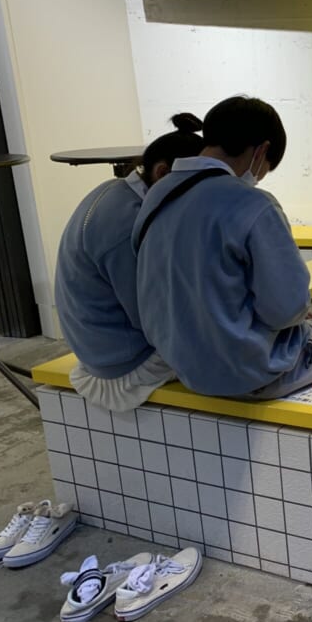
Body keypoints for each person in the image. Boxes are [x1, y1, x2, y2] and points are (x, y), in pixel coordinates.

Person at [131, 95, 312, 399]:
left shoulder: (156, 198)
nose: (260, 177)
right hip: (249, 374)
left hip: (183, 368)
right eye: (266, 168)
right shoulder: (253, 204)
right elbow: (287, 309)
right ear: (261, 151)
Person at [55, 114, 205, 412]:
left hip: (100, 348)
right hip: (124, 367)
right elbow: (154, 321)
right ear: (163, 172)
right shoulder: (129, 225)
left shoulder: (115, 193)